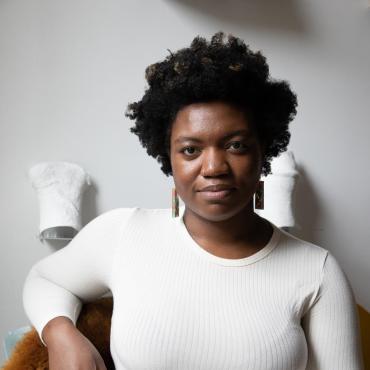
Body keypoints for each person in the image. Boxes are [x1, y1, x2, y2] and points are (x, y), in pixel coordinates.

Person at [22, 31, 364, 370]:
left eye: (236, 145)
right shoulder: (123, 233)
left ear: (264, 152)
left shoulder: (317, 272)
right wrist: (60, 332)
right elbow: (44, 279)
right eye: (190, 150)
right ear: (168, 158)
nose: (214, 167)